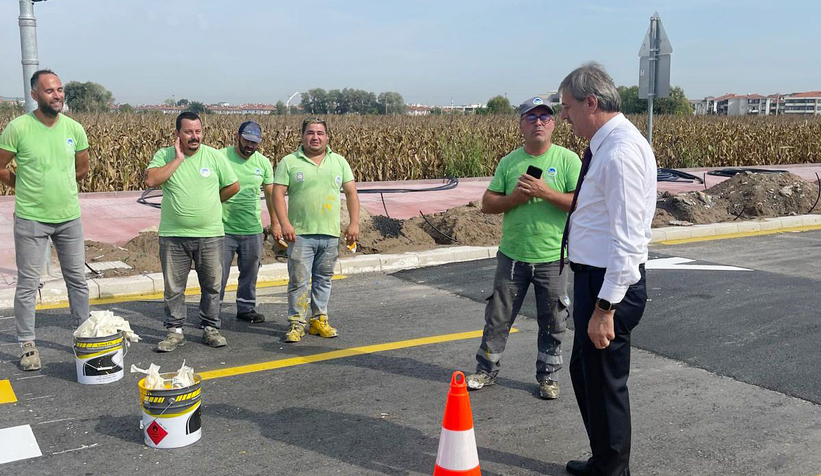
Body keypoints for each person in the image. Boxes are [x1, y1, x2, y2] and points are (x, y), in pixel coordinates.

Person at [559, 63, 657, 476]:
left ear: (591, 103)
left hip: (607, 287)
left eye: (567, 107)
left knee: (605, 385)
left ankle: (613, 472)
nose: (564, 116)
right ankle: (604, 461)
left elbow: (629, 240)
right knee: (586, 374)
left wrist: (605, 308)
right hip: (594, 280)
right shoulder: (607, 145)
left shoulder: (619, 153)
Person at [465, 96, 581, 400]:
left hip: (553, 258)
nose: (539, 123)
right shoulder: (510, 162)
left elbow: (580, 203)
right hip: (513, 256)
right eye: (531, 117)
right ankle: (486, 370)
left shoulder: (568, 160)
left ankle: (548, 378)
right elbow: (488, 204)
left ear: (554, 124)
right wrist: (513, 199)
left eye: (545, 117)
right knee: (498, 317)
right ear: (521, 125)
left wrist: (545, 192)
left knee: (554, 321)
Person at [0, 69, 90, 371]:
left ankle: (83, 334)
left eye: (60, 89)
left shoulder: (74, 129)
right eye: (50, 91)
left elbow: (81, 170)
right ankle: (27, 344)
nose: (57, 95)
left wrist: (59, 183)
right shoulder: (18, 128)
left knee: (77, 280)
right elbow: (0, 166)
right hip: (31, 219)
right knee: (27, 283)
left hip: (69, 218)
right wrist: (23, 185)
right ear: (35, 95)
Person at [144, 112, 239, 352]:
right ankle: (175, 331)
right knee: (174, 287)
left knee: (212, 285)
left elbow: (232, 186)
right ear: (178, 134)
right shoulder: (164, 155)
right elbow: (151, 180)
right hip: (173, 236)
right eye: (188, 132)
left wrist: (212, 203)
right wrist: (177, 159)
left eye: (198, 131)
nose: (194, 136)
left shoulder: (214, 156)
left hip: (210, 234)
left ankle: (210, 327)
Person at [272, 117, 359, 343]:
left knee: (323, 279)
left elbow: (351, 193)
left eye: (320, 133)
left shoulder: (339, 162)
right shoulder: (290, 162)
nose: (315, 137)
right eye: (310, 132)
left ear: (327, 136)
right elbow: (277, 194)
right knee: (299, 280)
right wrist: (285, 224)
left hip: (330, 233)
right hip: (300, 234)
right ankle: (296, 323)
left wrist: (354, 223)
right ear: (302, 136)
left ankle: (319, 319)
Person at [219, 121, 277, 323]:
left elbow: (271, 196)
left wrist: (275, 223)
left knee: (250, 272)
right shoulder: (220, 157)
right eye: (247, 141)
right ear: (237, 136)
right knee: (218, 274)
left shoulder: (263, 163)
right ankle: (211, 311)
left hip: (252, 228)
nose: (250, 146)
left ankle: (245, 308)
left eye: (255, 142)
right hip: (223, 228)